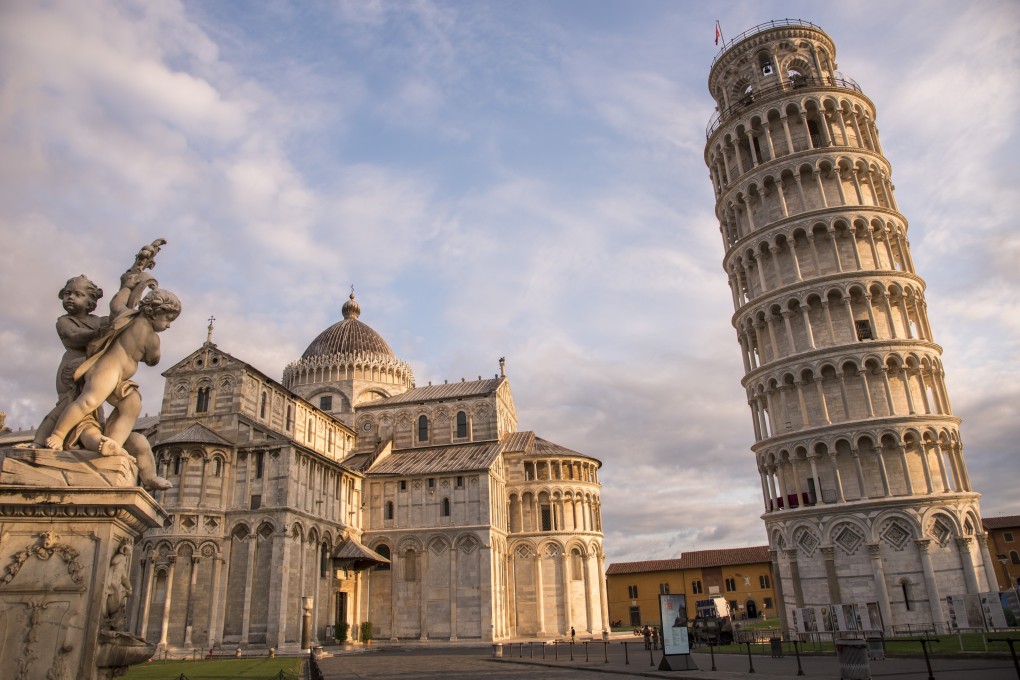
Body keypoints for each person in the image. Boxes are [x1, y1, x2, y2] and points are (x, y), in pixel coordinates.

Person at [45, 277, 180, 459]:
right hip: (108, 370)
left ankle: (113, 445)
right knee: (88, 402)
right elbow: (153, 360)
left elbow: (115, 303)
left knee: (132, 404)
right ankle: (58, 435)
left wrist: (127, 287)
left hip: (119, 380)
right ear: (155, 314)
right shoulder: (152, 339)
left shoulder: (125, 315)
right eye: (168, 319)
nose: (169, 325)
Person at [34, 275, 105, 448]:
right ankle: (39, 441)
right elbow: (75, 337)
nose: (70, 297)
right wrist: (101, 332)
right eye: (67, 294)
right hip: (72, 368)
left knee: (92, 408)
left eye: (78, 294)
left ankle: (83, 440)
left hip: (92, 370)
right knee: (67, 404)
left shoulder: (97, 321)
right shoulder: (64, 321)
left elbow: (121, 317)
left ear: (90, 301)